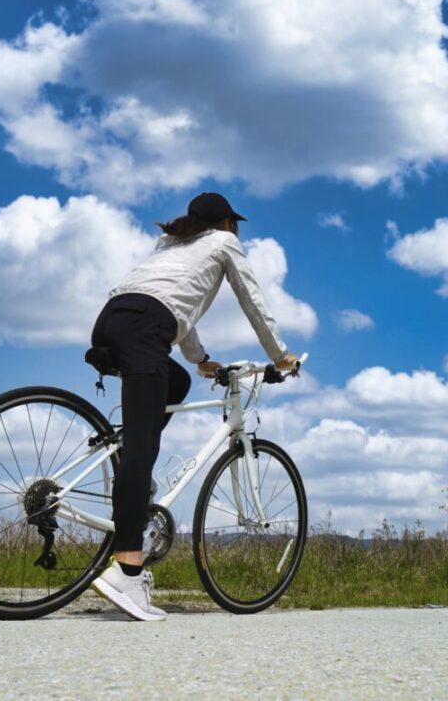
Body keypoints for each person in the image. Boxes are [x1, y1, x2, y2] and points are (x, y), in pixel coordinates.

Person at [88, 191, 298, 621]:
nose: (236, 229)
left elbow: (173, 309)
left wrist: (200, 361)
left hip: (113, 319)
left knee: (177, 381)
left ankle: (131, 466)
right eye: (234, 223)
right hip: (146, 329)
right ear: (225, 224)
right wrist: (280, 356)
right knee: (144, 450)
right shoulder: (224, 245)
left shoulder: (171, 247)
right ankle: (127, 571)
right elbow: (252, 301)